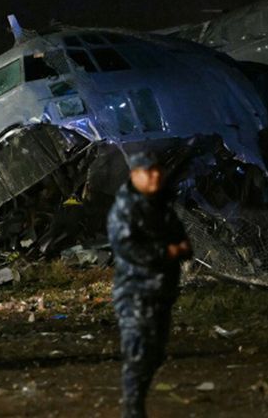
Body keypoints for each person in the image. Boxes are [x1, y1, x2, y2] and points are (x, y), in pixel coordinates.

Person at [107, 151, 191, 418]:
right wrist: (167, 252)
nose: (155, 176)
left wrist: (179, 249)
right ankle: (132, 410)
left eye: (157, 170)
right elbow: (128, 247)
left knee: (154, 353)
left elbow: (182, 239)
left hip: (160, 291)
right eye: (148, 171)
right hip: (135, 292)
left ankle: (136, 405)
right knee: (138, 353)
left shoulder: (160, 205)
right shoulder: (126, 208)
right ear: (134, 175)